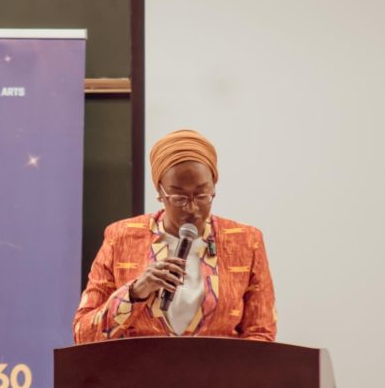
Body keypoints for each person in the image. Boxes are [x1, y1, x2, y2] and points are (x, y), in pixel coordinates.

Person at [74, 129, 276, 342]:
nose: (191, 208)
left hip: (220, 365)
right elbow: (83, 335)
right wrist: (134, 292)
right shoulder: (121, 237)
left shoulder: (245, 241)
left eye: (202, 195)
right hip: (139, 364)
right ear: (160, 192)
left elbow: (261, 333)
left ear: (214, 186)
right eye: (179, 197)